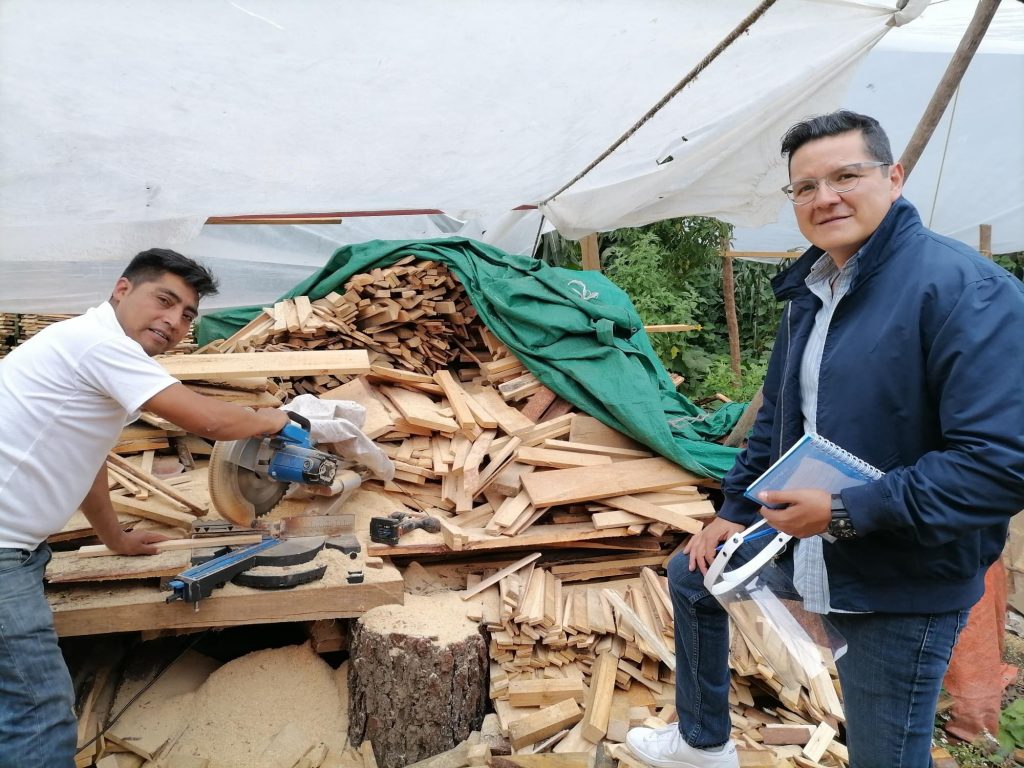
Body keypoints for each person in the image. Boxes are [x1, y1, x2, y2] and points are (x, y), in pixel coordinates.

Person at [627, 110, 1024, 767]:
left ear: (894, 178)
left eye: (846, 176)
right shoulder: (814, 291)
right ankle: (703, 743)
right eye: (805, 187)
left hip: (901, 575)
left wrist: (842, 511)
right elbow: (781, 418)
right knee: (694, 575)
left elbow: (1000, 466)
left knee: (882, 753)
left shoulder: (965, 291)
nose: (825, 198)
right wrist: (734, 511)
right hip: (810, 540)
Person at [0, 249, 290, 767]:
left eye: (186, 314)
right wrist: (272, 420)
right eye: (164, 300)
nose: (174, 321)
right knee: (38, 712)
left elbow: (88, 460)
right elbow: (209, 422)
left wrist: (115, 538)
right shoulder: (100, 345)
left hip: (17, 549)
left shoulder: (90, 345)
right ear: (121, 290)